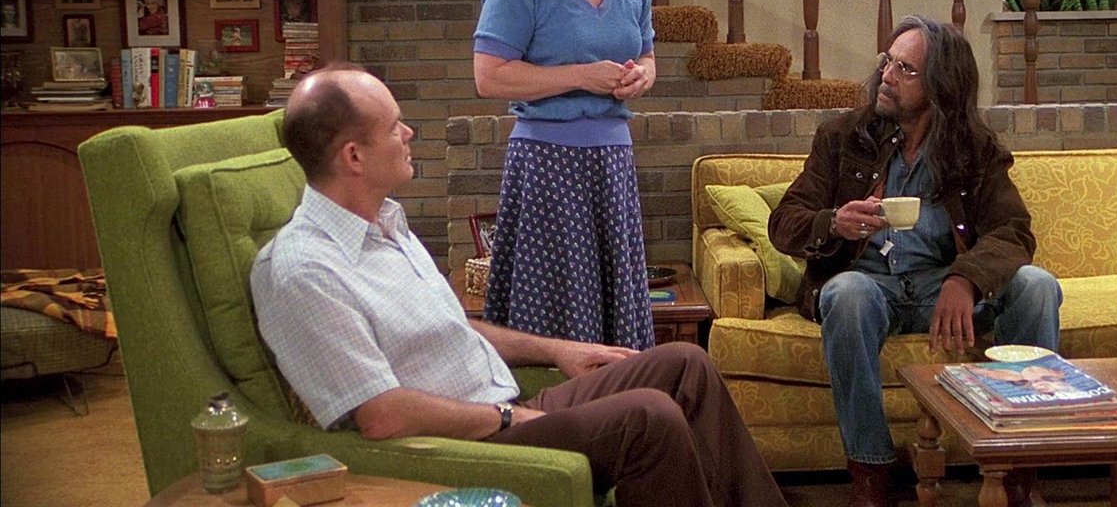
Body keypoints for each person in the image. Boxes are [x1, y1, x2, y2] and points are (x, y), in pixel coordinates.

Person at [250, 65, 788, 507]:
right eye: (394, 127)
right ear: (353, 156)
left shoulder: (385, 223)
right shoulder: (304, 271)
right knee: (649, 417)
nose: (409, 133)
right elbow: (381, 415)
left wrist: (558, 350)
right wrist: (508, 416)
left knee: (684, 365)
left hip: (502, 405)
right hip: (465, 440)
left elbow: (451, 326)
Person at [768, 16, 1063, 507]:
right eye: (888, 62)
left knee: (1037, 285)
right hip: (871, 286)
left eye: (905, 69)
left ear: (941, 85)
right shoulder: (843, 137)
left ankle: (1018, 471)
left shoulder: (974, 149)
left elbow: (1012, 231)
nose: (886, 75)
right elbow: (784, 223)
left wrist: (965, 279)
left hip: (939, 287)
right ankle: (871, 476)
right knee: (846, 293)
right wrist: (834, 223)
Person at [472, 0, 657, 350]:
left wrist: (642, 77)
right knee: (554, 310)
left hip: (613, 161)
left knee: (614, 314)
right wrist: (581, 76)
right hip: (547, 164)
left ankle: (623, 398)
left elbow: (647, 56)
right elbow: (489, 77)